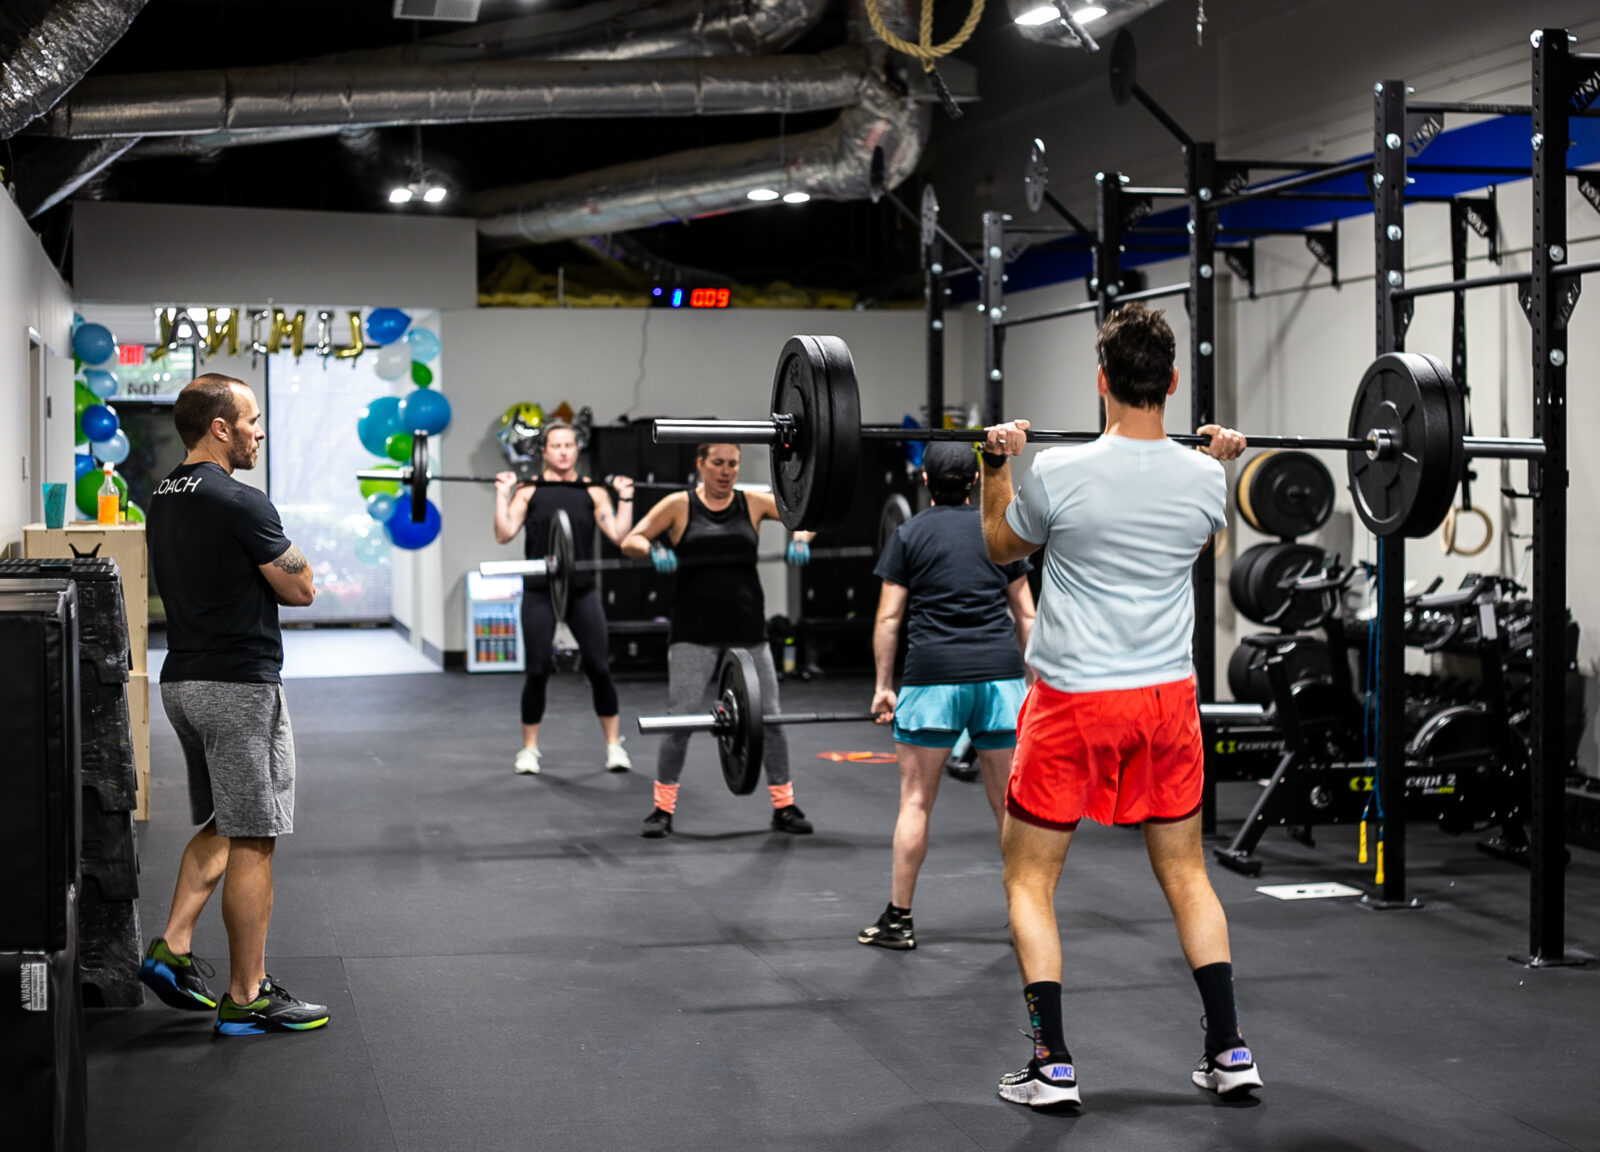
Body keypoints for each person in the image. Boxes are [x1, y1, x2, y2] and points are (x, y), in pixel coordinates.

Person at [977, 303, 1258, 1107]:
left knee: (1029, 881)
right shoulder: (1206, 478)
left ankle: (1052, 1063)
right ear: (1170, 383)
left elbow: (1001, 547)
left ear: (1101, 382)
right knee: (1187, 874)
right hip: (1165, 701)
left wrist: (995, 462)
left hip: (1073, 702)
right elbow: (1200, 538)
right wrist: (1221, 460)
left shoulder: (1059, 472)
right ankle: (1230, 1050)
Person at [139, 373, 328, 1036]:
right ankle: (248, 994)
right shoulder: (240, 501)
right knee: (254, 831)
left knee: (227, 817)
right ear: (219, 426)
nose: (259, 431)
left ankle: (173, 946)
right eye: (251, 419)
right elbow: (302, 589)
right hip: (238, 687)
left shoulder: (163, 495)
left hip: (183, 682)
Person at [858, 441, 1035, 951]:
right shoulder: (997, 530)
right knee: (1009, 807)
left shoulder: (909, 534)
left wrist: (882, 688)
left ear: (926, 482)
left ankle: (899, 921)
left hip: (933, 679)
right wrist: (1034, 680)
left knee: (915, 801)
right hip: (998, 680)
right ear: (977, 482)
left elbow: (889, 618)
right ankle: (1025, 920)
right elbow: (1026, 614)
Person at [620, 443, 814, 838]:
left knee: (771, 719)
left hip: (747, 629)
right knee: (680, 721)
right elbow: (631, 539)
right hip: (693, 630)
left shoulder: (753, 504)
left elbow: (805, 516)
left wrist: (800, 540)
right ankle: (662, 809)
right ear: (700, 465)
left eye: (733, 464)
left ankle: (784, 805)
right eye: (718, 464)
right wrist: (653, 548)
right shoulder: (679, 505)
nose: (726, 472)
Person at [494, 420, 635, 775]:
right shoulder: (528, 490)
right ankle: (529, 750)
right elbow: (504, 533)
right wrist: (502, 493)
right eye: (555, 446)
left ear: (577, 450)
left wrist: (627, 497)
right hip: (540, 590)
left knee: (599, 667)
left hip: (581, 590)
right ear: (544, 451)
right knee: (538, 669)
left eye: (568, 445)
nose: (562, 451)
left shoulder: (594, 492)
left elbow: (619, 535)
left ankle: (614, 746)